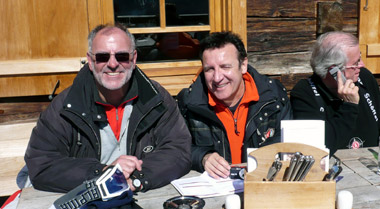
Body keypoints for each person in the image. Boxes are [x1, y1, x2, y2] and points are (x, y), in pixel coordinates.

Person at [24, 24, 191, 193]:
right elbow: (42, 164)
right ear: (90, 61)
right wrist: (103, 173)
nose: (112, 64)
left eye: (122, 56)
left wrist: (137, 180)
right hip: (85, 199)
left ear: (133, 59)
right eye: (103, 57)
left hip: (140, 195)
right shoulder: (66, 105)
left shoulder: (156, 98)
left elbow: (179, 150)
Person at [177, 31, 292, 179]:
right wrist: (202, 157)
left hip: (263, 185)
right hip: (212, 192)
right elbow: (175, 148)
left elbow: (288, 140)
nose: (217, 78)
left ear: (243, 65)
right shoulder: (189, 102)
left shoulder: (273, 96)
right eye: (209, 69)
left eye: (225, 67)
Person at [290, 31, 380, 155]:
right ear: (334, 71)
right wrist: (349, 106)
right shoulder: (305, 93)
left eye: (360, 58)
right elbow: (319, 147)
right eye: (355, 63)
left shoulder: (364, 78)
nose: (362, 65)